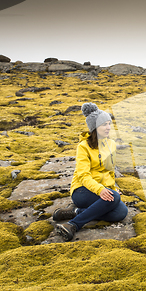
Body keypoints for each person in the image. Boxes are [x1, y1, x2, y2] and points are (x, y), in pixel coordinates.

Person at [53, 102, 128, 241]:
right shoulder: (83, 147)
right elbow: (83, 175)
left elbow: (109, 171)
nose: (108, 128)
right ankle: (73, 225)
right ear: (95, 127)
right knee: (115, 199)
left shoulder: (111, 144)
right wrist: (101, 190)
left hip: (101, 189)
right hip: (82, 190)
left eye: (109, 124)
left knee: (121, 212)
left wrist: (112, 188)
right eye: (104, 124)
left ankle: (75, 212)